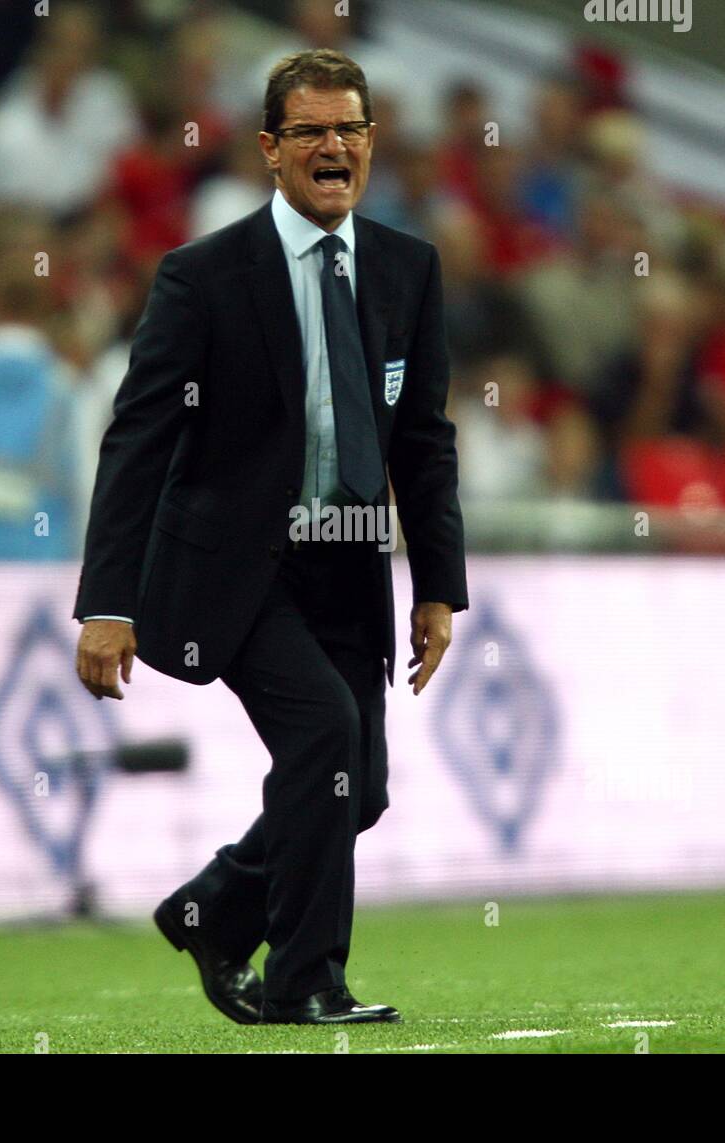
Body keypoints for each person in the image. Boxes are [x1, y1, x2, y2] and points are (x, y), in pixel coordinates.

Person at [73, 49, 468, 1025]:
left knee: (357, 789)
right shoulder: (204, 277)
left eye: (349, 129)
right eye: (310, 132)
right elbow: (138, 438)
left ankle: (212, 912)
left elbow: (422, 440)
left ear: (371, 143)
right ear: (270, 150)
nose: (333, 146)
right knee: (324, 738)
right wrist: (107, 603)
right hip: (237, 574)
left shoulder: (405, 270)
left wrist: (435, 587)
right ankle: (305, 980)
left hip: (350, 567)